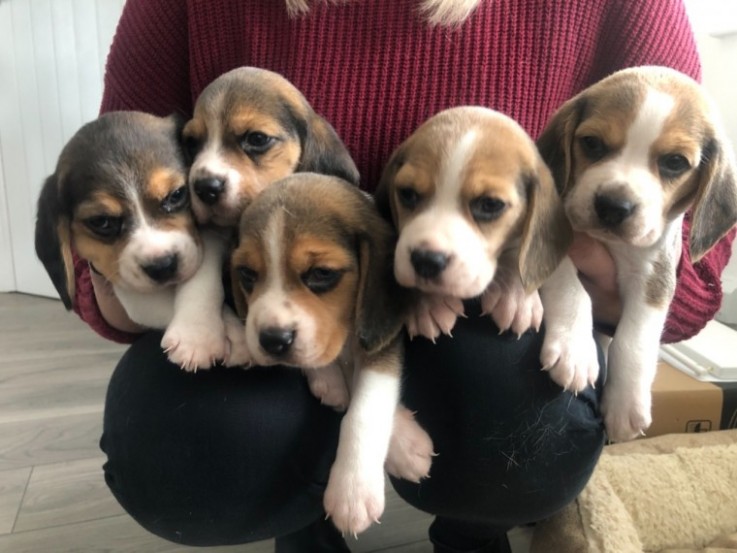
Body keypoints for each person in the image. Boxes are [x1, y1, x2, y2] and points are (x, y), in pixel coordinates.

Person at [70, 1, 734, 551]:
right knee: (190, 445)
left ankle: (472, 523)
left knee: (523, 409)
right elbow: (109, 174)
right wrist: (132, 286)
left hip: (484, 321)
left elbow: (694, 258)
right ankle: (302, 521)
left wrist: (545, 268)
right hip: (262, 291)